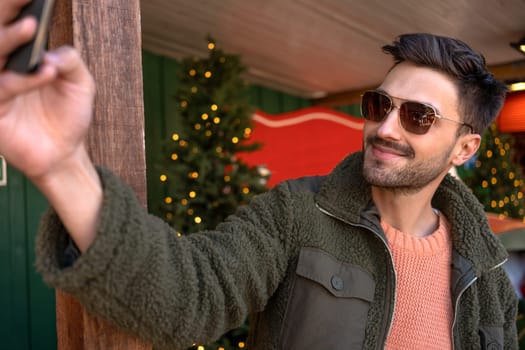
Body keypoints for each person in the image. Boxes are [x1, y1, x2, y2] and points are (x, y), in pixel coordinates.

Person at [0, 1, 519, 349]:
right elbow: (189, 294)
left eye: (417, 116)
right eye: (379, 103)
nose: (384, 127)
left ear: (464, 147)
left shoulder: (487, 269)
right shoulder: (296, 213)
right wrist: (63, 166)